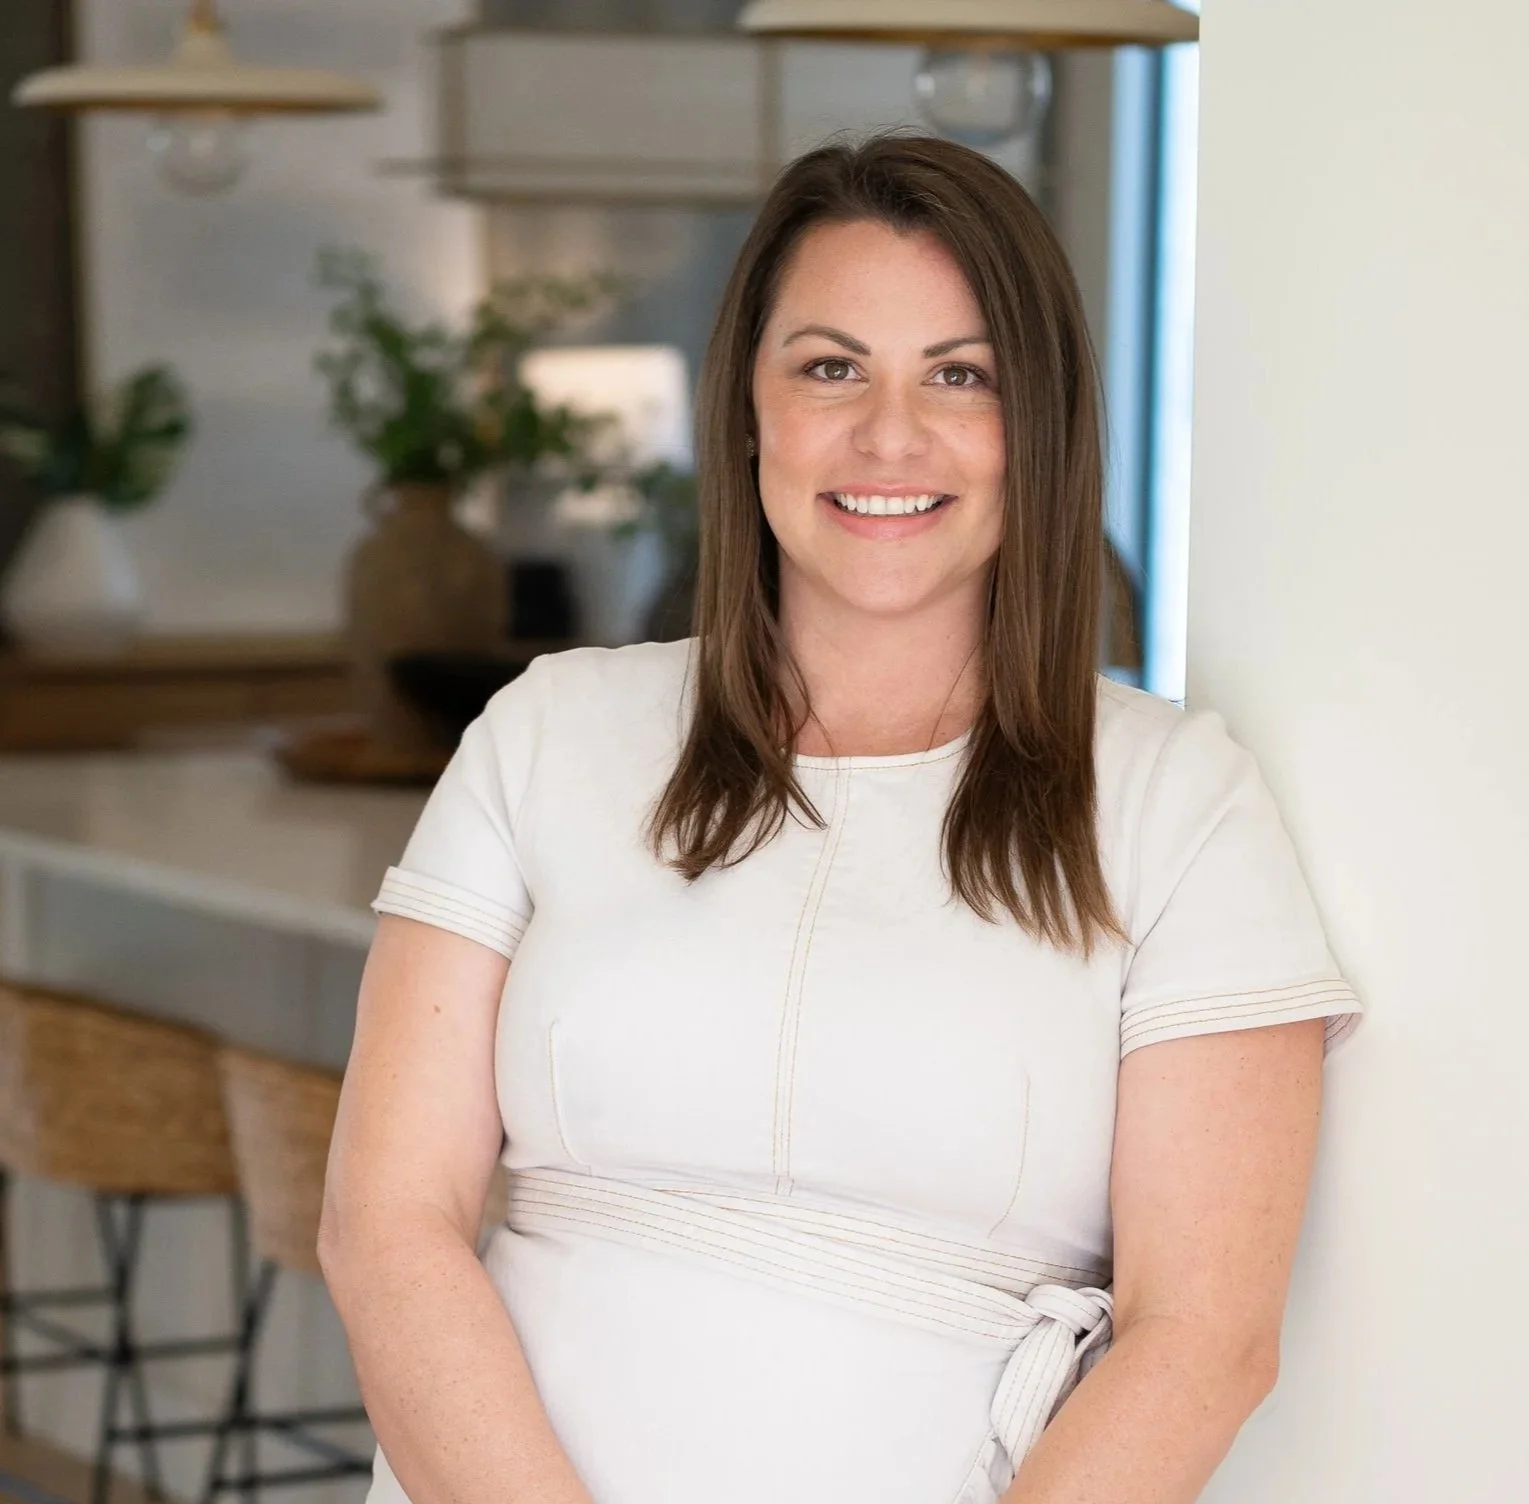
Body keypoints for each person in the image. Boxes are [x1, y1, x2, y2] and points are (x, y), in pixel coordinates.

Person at [319, 132, 1363, 1504]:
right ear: (748, 410)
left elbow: (1203, 1341)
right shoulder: (548, 734)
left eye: (960, 374)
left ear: (1035, 425)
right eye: (830, 367)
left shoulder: (1179, 801)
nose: (889, 433)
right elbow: (383, 1225)